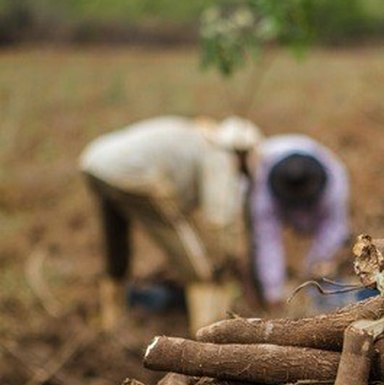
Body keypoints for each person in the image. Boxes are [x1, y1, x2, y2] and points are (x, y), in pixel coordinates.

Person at [80, 115, 263, 333]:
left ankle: (111, 322)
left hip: (95, 164)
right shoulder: (220, 153)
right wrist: (230, 257)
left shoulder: (196, 138)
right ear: (243, 152)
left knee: (116, 244)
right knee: (196, 263)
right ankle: (205, 332)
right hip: (135, 176)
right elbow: (220, 218)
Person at [248, 135, 350, 311]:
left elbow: (334, 228)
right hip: (270, 176)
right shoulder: (261, 187)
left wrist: (314, 268)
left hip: (319, 192)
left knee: (327, 270)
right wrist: (273, 292)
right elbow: (267, 240)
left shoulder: (334, 181)